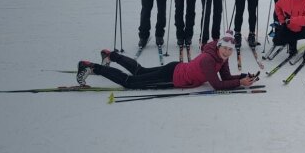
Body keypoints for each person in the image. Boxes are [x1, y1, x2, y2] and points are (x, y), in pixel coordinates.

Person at [76, 32, 258, 89]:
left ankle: (111, 55)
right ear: (218, 46)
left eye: (230, 50)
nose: (227, 52)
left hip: (175, 68)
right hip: (174, 77)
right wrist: (239, 83)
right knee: (130, 82)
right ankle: (92, 68)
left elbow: (225, 77)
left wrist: (242, 76)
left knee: (140, 71)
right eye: (224, 48)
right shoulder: (208, 60)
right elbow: (217, 85)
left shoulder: (220, 58)